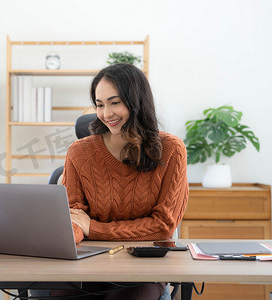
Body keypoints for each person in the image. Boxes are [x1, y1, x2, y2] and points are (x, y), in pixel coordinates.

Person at [55, 63, 189, 300]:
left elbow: (163, 226)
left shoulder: (171, 150)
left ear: (136, 102)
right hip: (90, 264)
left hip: (144, 269)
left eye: (115, 102)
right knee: (55, 293)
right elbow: (74, 217)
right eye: (99, 105)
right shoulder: (79, 152)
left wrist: (94, 228)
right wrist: (61, 234)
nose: (106, 114)